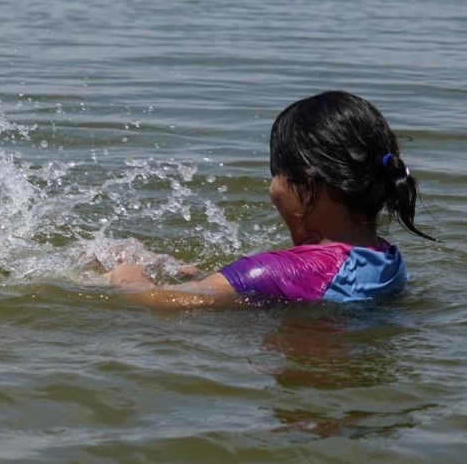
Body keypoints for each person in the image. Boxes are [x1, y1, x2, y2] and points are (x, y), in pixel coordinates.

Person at [107, 91, 433, 308]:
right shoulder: (384, 255)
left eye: (276, 174)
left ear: (305, 182)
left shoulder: (276, 271)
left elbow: (163, 304)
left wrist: (128, 276)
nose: (272, 188)